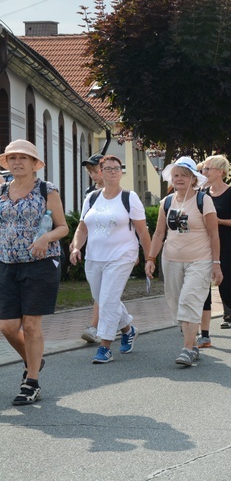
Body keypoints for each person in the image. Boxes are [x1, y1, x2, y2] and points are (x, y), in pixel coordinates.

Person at [0, 140, 68, 405]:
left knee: (30, 325)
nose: (17, 162)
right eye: (12, 158)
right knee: (6, 327)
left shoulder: (46, 190)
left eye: (23, 158)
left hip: (41, 264)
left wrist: (45, 239)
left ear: (34, 164)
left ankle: (32, 381)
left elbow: (62, 227)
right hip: (7, 264)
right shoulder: (2, 190)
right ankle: (34, 360)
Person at [69, 155, 152, 363]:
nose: (113, 172)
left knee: (107, 299)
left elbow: (142, 232)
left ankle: (105, 346)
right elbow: (82, 227)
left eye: (117, 168)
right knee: (104, 298)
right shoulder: (92, 198)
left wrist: (150, 258)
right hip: (94, 257)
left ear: (121, 172)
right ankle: (127, 329)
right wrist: (76, 247)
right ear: (101, 172)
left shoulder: (129, 197)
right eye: (108, 168)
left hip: (122, 256)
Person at [145, 157, 223, 366]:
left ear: (193, 179)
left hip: (199, 260)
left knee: (189, 300)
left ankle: (188, 348)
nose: (179, 179)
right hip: (171, 260)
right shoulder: (167, 202)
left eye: (184, 175)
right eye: (176, 175)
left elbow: (214, 234)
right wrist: (151, 258)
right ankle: (192, 344)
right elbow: (159, 232)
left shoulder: (203, 200)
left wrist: (216, 263)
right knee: (177, 304)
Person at [197, 155, 231, 348]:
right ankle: (204, 335)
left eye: (207, 169)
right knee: (204, 291)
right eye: (203, 169)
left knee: (226, 292)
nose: (204, 173)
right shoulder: (203, 193)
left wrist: (218, 221)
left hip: (227, 246)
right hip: (206, 246)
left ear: (220, 172)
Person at [79, 153, 105, 345]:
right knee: (101, 291)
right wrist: (76, 244)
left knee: (104, 291)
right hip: (95, 249)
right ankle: (127, 327)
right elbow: (84, 222)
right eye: (90, 172)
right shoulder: (90, 193)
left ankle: (95, 328)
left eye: (96, 170)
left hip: (116, 251)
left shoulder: (121, 193)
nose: (93, 174)